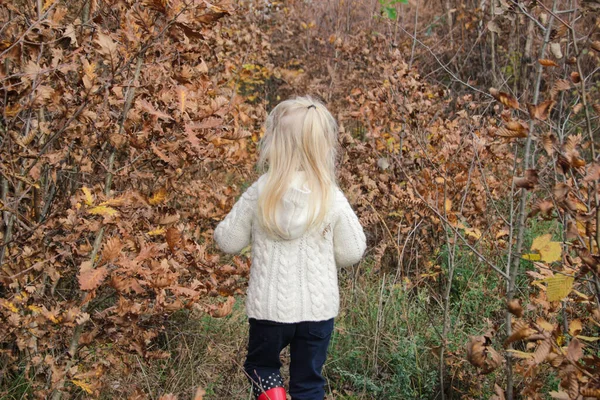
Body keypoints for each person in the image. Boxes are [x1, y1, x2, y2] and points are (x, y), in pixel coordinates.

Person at [214, 96, 366, 400]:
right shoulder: (330, 196)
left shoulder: (261, 191)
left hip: (269, 310)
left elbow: (227, 241)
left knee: (261, 366)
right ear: (322, 146)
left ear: (276, 144)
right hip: (318, 310)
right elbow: (352, 252)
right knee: (308, 382)